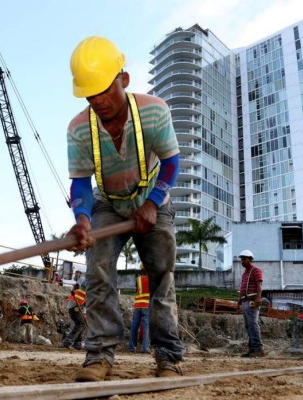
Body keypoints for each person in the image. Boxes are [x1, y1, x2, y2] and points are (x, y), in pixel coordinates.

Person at [66, 36, 185, 382]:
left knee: (162, 276)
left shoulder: (154, 110)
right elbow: (81, 184)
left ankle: (168, 358)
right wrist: (82, 220)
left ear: (124, 80)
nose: (98, 100)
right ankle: (99, 356)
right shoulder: (78, 130)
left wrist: (152, 202)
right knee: (98, 273)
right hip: (108, 203)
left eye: (104, 89)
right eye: (90, 94)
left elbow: (171, 161)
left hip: (153, 199)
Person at [237, 250, 265, 358]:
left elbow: (259, 285)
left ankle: (259, 349)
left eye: (244, 259)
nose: (242, 261)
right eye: (241, 259)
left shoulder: (256, 270)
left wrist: (258, 297)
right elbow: (242, 289)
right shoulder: (245, 274)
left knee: (253, 324)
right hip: (245, 301)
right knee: (248, 326)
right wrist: (239, 302)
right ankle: (252, 349)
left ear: (250, 259)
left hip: (252, 301)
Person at [128, 264, 150, 353]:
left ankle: (131, 347)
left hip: (137, 305)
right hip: (147, 305)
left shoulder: (138, 279)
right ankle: (145, 348)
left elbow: (137, 290)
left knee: (134, 326)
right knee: (146, 327)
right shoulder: (152, 278)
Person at [62, 283, 87, 350]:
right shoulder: (84, 293)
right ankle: (68, 342)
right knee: (80, 324)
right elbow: (85, 305)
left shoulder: (80, 291)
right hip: (74, 309)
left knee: (82, 324)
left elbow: (84, 305)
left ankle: (77, 343)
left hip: (74, 309)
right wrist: (84, 314)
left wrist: (84, 314)